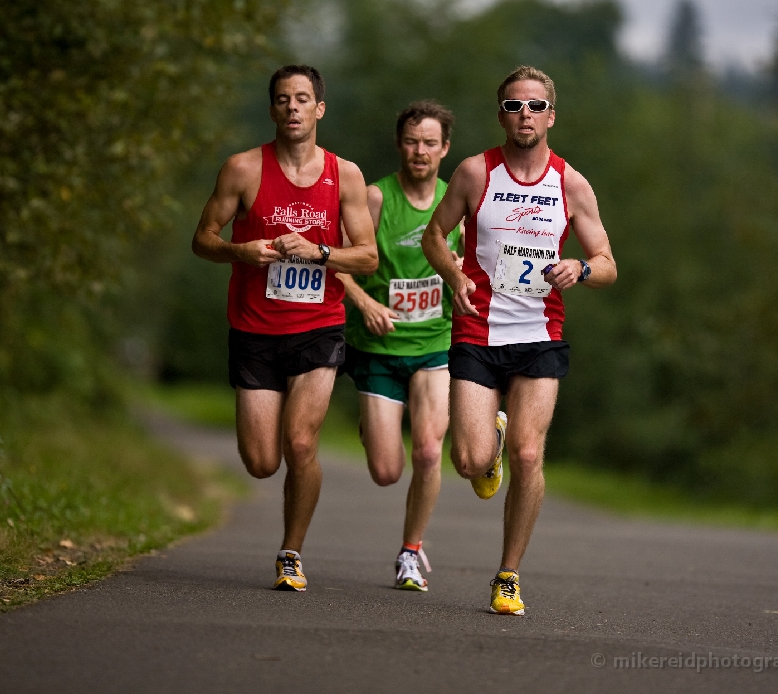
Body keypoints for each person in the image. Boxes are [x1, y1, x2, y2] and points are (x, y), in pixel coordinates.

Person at [421, 65, 616, 615]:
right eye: (513, 105)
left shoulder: (569, 183)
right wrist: (454, 276)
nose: (524, 115)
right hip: (478, 331)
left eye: (534, 106)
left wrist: (579, 268)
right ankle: (490, 440)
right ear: (501, 114)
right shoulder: (473, 173)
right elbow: (435, 235)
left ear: (551, 116)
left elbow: (608, 264)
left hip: (540, 334)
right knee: (468, 459)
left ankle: (508, 575)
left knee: (531, 454)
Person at [192, 65, 378, 592]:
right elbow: (201, 238)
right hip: (254, 329)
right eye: (282, 99)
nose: (292, 107)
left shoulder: (345, 175)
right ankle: (284, 522)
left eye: (302, 99)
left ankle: (291, 552)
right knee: (260, 462)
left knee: (300, 444)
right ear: (272, 109)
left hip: (318, 326)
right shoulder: (243, 169)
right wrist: (237, 250)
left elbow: (366, 258)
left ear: (319, 109)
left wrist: (321, 252)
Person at [337, 100, 462, 591]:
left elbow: (475, 270)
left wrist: (458, 275)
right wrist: (365, 301)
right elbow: (339, 261)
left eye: (430, 143)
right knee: (387, 471)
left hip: (435, 342)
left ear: (445, 149)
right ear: (399, 144)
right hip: (378, 345)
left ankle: (411, 551)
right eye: (412, 141)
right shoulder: (375, 199)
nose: (420, 151)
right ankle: (376, 429)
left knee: (429, 452)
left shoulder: (457, 201)